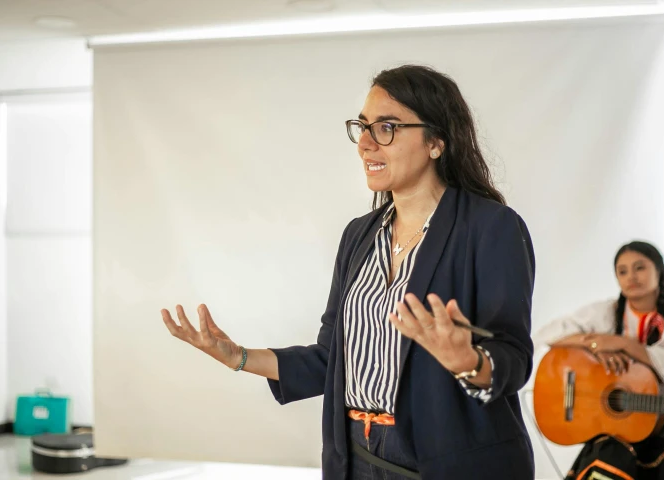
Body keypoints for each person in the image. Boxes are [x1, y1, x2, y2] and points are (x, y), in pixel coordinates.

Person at [160, 64, 536, 479]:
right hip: (357, 456)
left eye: (387, 127)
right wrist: (238, 357)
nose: (366, 144)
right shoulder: (359, 236)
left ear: (436, 142)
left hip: (451, 461)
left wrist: (467, 360)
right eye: (362, 127)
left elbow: (513, 359)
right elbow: (330, 357)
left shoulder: (491, 227)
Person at [534, 241, 664, 480]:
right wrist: (593, 346)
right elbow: (546, 335)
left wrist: (624, 345)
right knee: (606, 463)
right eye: (622, 271)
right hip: (619, 429)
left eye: (639, 268)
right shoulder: (606, 312)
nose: (631, 277)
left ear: (659, 271)